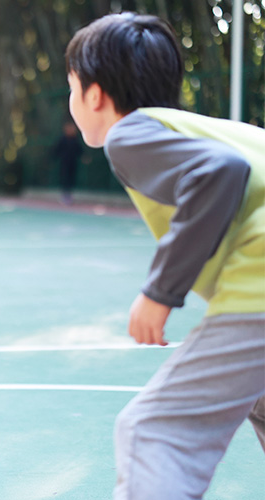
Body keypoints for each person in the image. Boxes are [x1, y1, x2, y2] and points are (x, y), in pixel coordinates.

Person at [65, 13, 264, 499]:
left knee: (153, 431)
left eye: (71, 87)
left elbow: (222, 172)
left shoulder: (130, 133)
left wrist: (160, 292)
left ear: (94, 95)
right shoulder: (206, 128)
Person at [52, 121, 82, 205]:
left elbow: (79, 150)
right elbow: (56, 150)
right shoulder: (62, 139)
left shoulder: (75, 140)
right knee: (64, 178)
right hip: (64, 163)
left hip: (73, 163)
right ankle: (64, 196)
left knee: (71, 179)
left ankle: (69, 196)